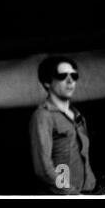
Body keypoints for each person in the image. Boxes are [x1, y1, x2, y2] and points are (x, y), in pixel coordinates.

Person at [29, 56, 96, 195]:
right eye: (62, 76)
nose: (70, 80)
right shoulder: (43, 116)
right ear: (47, 82)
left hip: (87, 191)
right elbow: (43, 169)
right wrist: (72, 193)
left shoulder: (76, 114)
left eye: (74, 75)